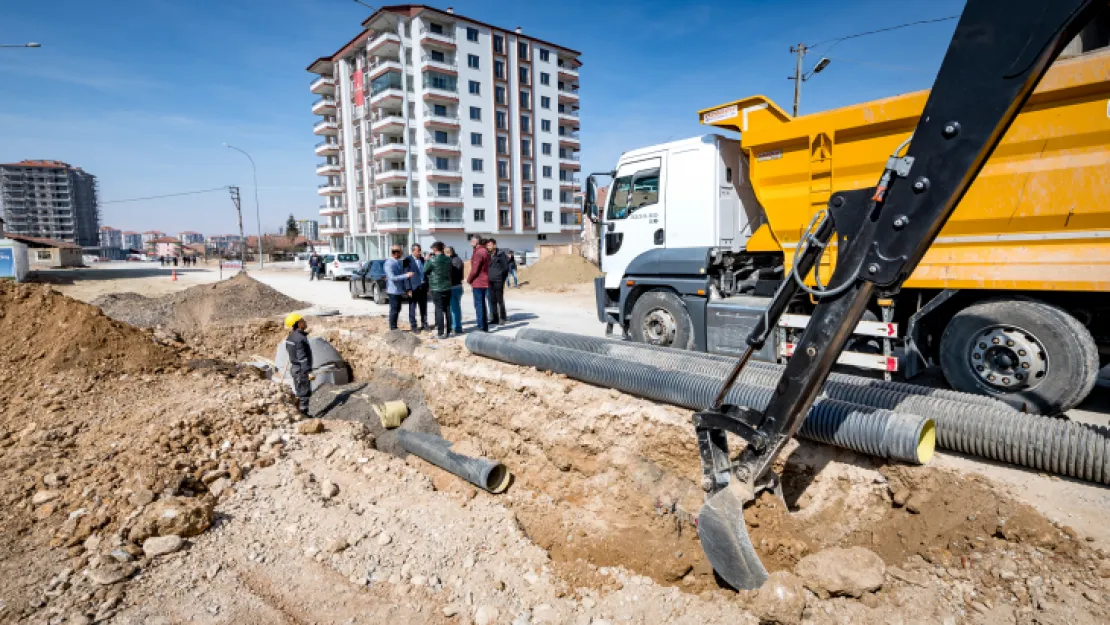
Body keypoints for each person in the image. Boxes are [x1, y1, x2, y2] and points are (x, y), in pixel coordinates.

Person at [283, 313, 313, 417]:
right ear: (298, 324)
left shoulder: (290, 337)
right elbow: (302, 357)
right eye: (302, 320)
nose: (305, 322)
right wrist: (308, 371)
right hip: (301, 370)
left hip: (295, 368)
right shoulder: (300, 338)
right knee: (304, 393)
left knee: (299, 390)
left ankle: (299, 412)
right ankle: (304, 415)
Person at [425, 242, 453, 338]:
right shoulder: (448, 259)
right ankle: (449, 331)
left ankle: (440, 332)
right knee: (448, 308)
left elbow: (425, 270)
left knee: (439, 309)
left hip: (436, 287)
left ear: (435, 249)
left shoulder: (432, 260)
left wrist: (426, 260)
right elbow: (450, 270)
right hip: (447, 286)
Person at [384, 245, 415, 330]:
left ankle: (394, 326)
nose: (402, 254)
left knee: (398, 308)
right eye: (401, 252)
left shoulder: (397, 262)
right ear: (396, 253)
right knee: (394, 309)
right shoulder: (389, 263)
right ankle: (393, 328)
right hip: (393, 290)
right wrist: (406, 275)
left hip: (398, 290)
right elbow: (392, 277)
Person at [404, 243, 430, 332]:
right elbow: (406, 276)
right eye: (418, 251)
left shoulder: (422, 259)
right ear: (413, 251)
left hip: (423, 287)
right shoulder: (407, 260)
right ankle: (414, 326)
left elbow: (426, 273)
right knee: (412, 308)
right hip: (413, 288)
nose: (420, 252)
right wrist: (408, 289)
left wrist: (428, 285)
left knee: (423, 307)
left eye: (420, 250)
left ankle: (425, 324)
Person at [467, 235, 491, 332]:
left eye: (472, 241)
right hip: (485, 280)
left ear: (476, 242)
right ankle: (484, 326)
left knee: (479, 305)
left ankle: (481, 326)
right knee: (483, 305)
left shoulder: (478, 253)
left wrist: (469, 280)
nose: (470, 243)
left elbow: (475, 270)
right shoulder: (485, 251)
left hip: (479, 282)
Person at [486, 238, 509, 325]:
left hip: (498, 280)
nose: (488, 247)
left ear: (494, 245)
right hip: (490, 281)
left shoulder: (501, 254)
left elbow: (506, 268)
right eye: (487, 245)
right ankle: (495, 318)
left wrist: (502, 279)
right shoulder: (487, 255)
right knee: (492, 300)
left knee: (500, 300)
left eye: (490, 245)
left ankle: (503, 318)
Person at [446, 246, 465, 334]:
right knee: (457, 307)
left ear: (449, 253)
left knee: (453, 309)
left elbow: (450, 275)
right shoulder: (459, 260)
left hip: (452, 287)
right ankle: (458, 325)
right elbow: (461, 276)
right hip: (459, 286)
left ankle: (456, 327)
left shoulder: (450, 261)